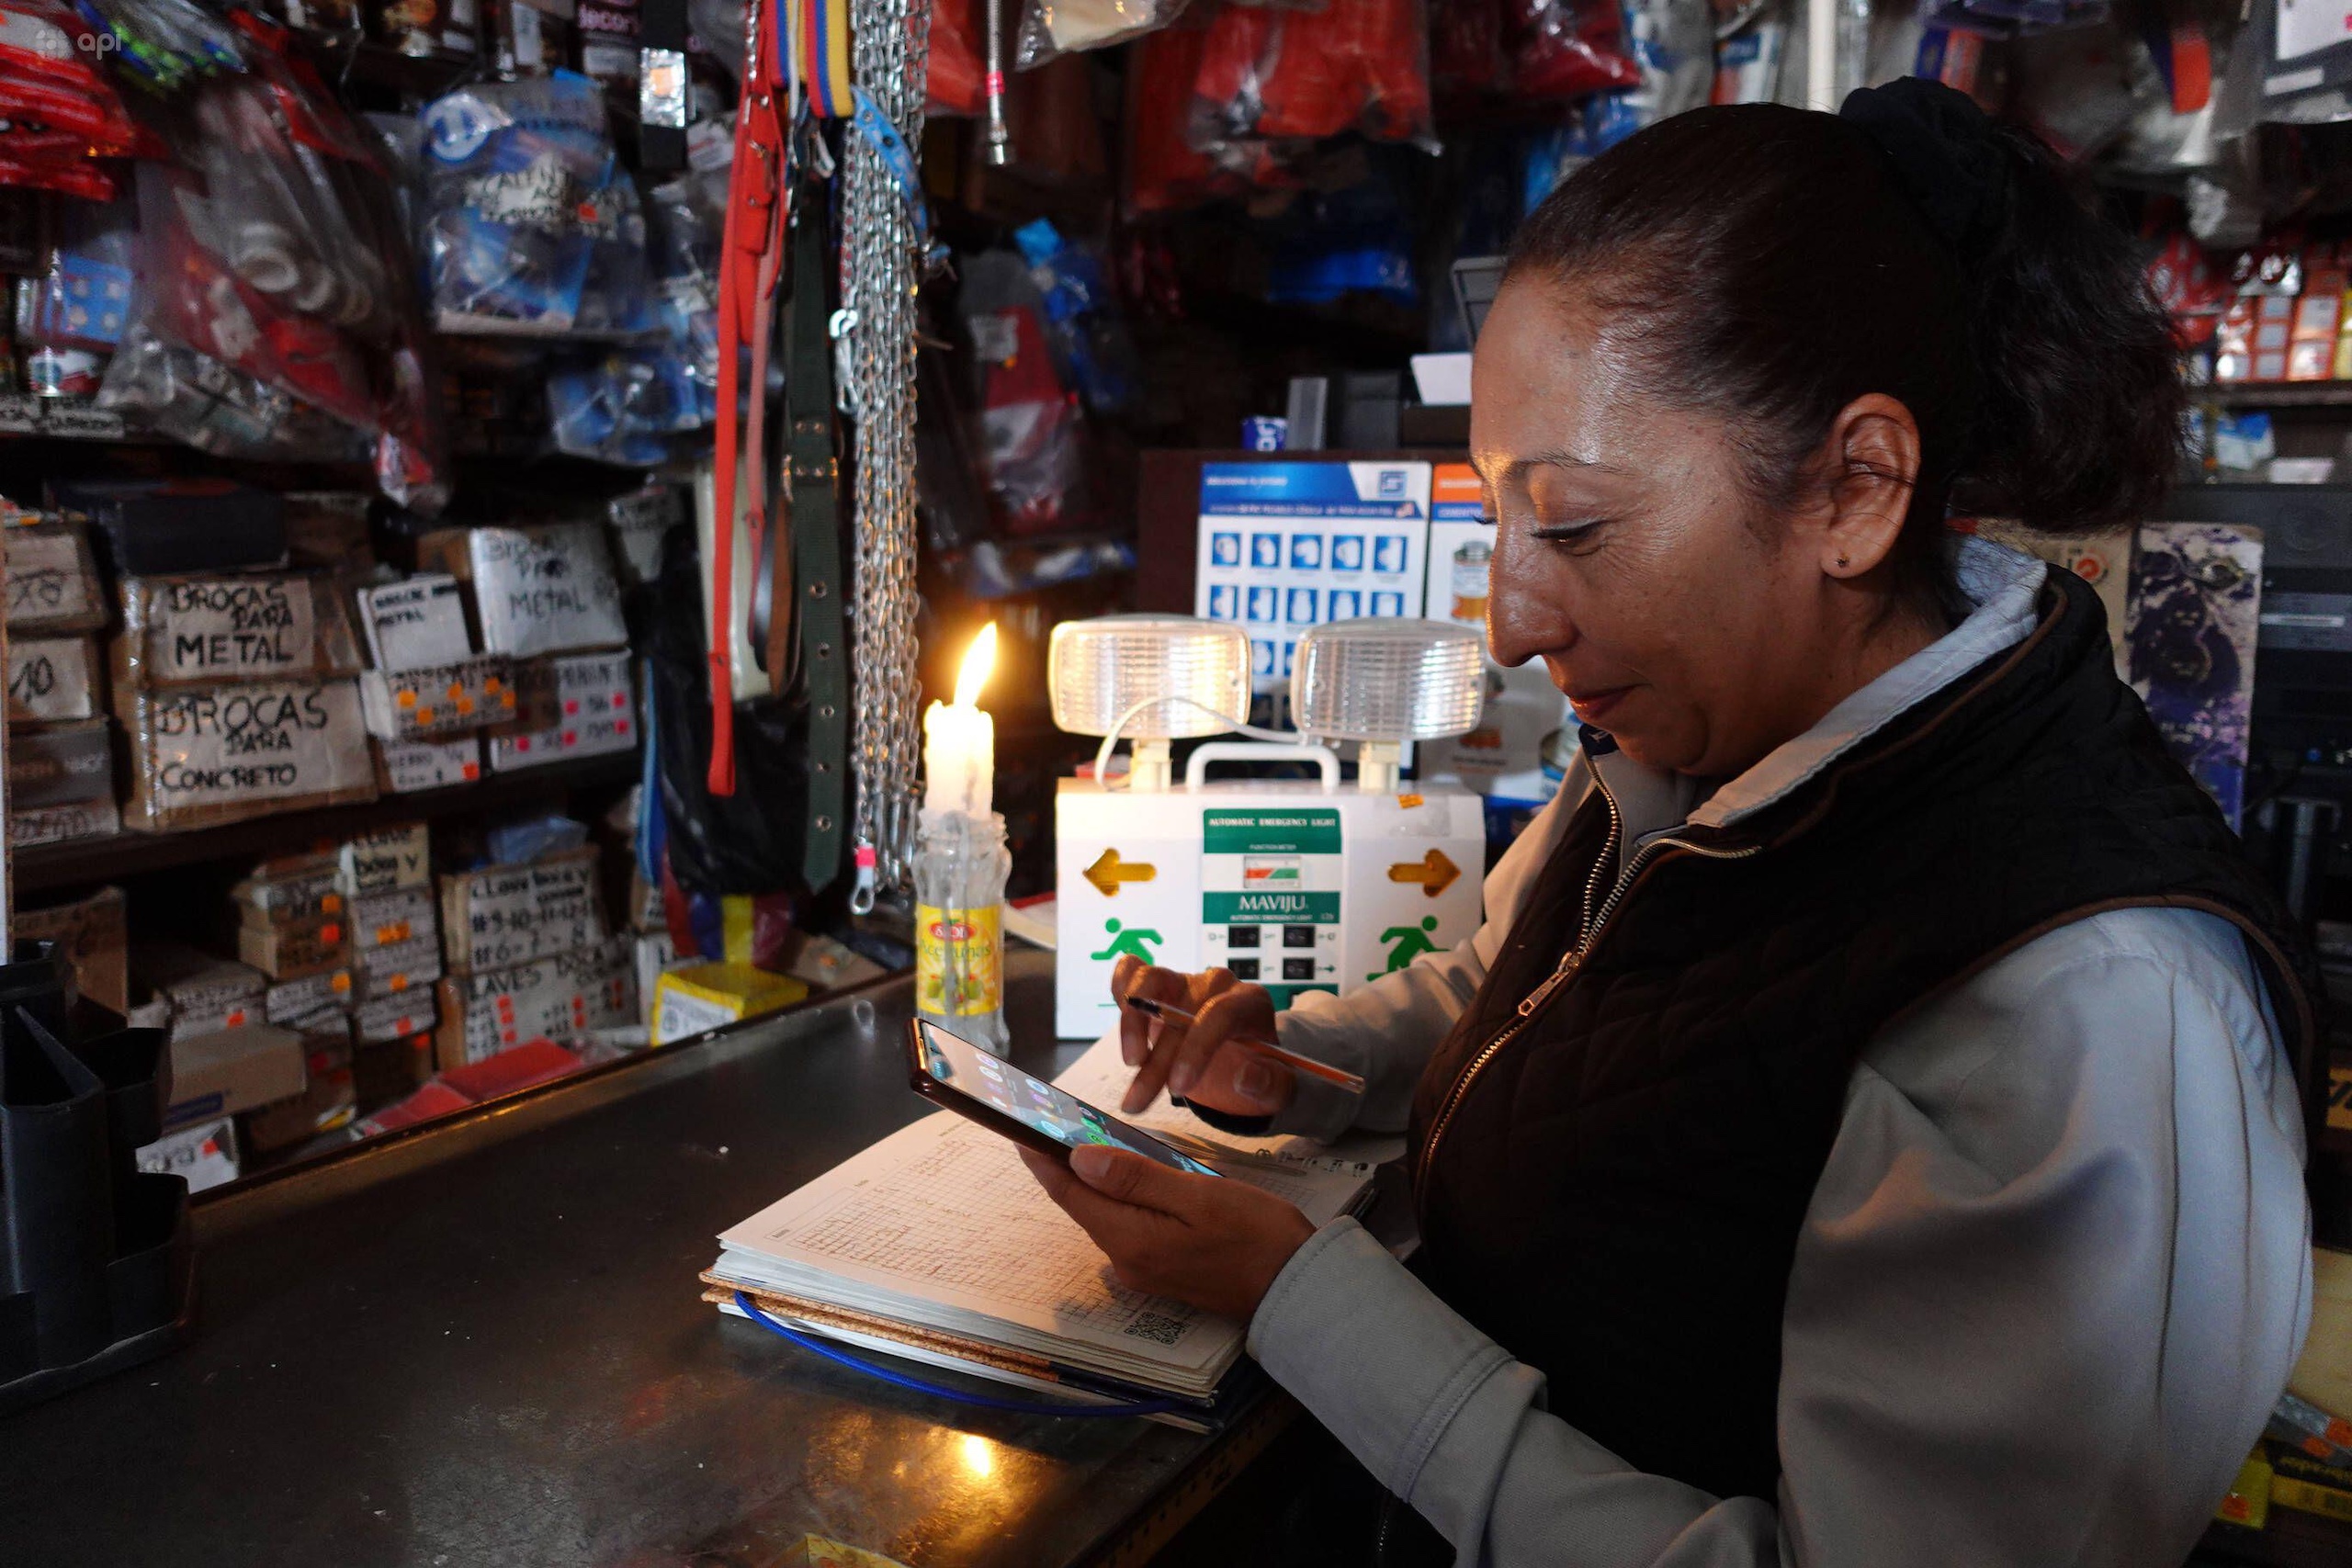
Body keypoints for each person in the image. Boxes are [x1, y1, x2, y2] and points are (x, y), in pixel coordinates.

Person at [1021, 78, 2321, 1566]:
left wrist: (1306, 1301)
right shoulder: (1696, 742)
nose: (1509, 620)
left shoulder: (2084, 1010)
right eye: (1499, 517)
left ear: (1856, 489)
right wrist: (1297, 1063)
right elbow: (1524, 982)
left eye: (1570, 527)